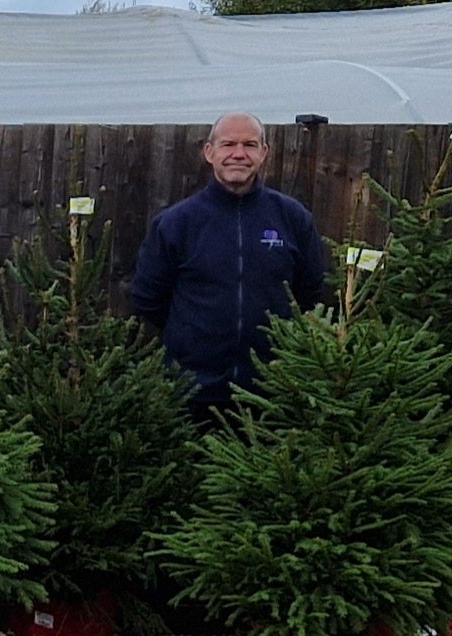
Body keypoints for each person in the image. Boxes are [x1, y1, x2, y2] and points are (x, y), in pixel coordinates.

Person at [130, 112, 327, 414]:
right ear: (209, 153)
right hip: (190, 395)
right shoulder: (176, 224)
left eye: (249, 144)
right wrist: (192, 339)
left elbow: (311, 293)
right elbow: (148, 299)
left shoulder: (292, 218)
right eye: (228, 144)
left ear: (264, 153)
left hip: (273, 393)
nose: (239, 154)